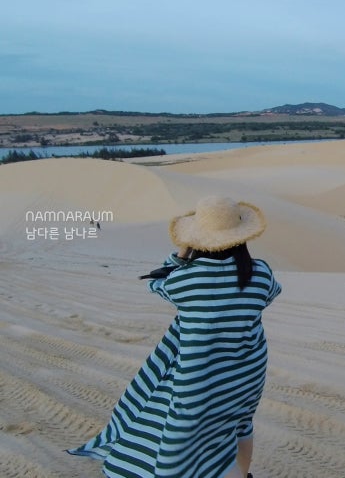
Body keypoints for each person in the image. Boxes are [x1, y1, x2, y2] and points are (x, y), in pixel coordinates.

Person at [68, 196, 282, 478]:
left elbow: (157, 284)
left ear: (198, 239)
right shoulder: (261, 273)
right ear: (241, 237)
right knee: (240, 423)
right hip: (246, 372)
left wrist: (181, 254)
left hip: (199, 376)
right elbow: (271, 294)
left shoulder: (186, 280)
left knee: (183, 432)